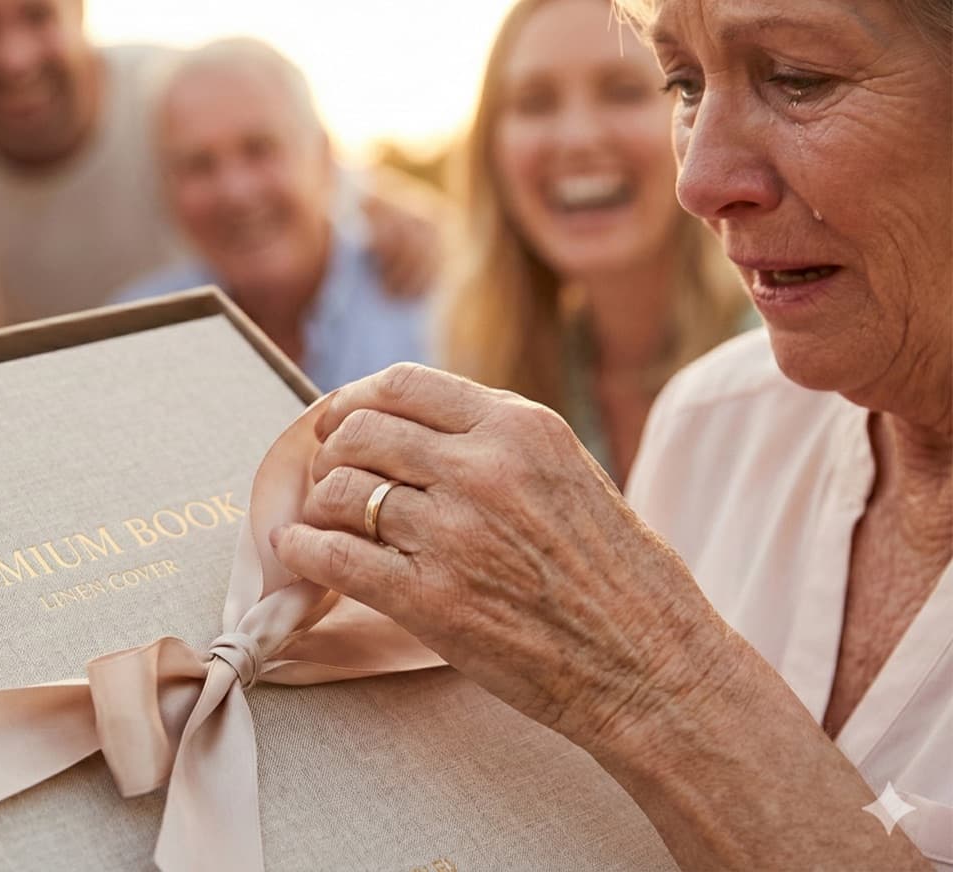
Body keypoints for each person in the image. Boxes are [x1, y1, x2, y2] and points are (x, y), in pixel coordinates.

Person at [269, 0, 951, 867]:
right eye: (683, 85)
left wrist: (650, 677)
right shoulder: (708, 421)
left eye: (798, 79)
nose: (697, 181)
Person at [0, 0, 442, 325]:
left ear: (78, 12)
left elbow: (309, 168)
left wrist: (391, 206)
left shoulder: (171, 92)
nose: (16, 58)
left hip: (182, 367)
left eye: (37, 16)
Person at [438, 0, 751, 485]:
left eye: (624, 92)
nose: (578, 137)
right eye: (535, 103)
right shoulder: (489, 367)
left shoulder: (780, 362)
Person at [117, 39, 431, 391]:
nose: (235, 192)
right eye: (198, 164)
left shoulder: (438, 310)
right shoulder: (132, 339)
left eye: (259, 149)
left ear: (323, 157)